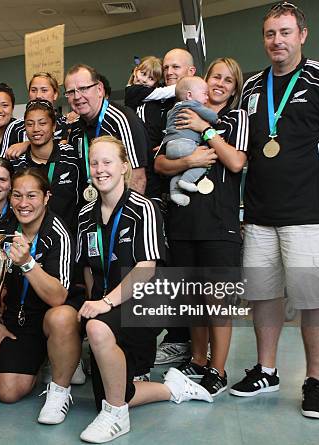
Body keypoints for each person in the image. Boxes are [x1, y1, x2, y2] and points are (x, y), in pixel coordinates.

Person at [231, 2, 319, 419]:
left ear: (302, 35)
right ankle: (267, 370)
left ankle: (315, 381)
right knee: (264, 296)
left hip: (310, 215)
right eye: (271, 33)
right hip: (258, 214)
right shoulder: (252, 86)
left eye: (286, 32)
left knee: (313, 300)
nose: (278, 40)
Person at [76, 136, 212, 443]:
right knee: (113, 391)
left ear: (124, 166)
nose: (100, 169)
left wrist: (104, 304)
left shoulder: (144, 208)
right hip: (110, 305)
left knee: (97, 328)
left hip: (145, 301)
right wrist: (91, 302)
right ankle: (174, 388)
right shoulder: (86, 215)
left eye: (107, 162)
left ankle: (116, 418)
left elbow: (146, 269)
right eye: (94, 162)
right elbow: (88, 268)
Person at [155, 57, 248, 396]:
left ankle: (218, 370)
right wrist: (189, 160)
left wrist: (205, 129)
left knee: (217, 301)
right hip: (183, 220)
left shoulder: (235, 119)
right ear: (205, 81)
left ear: (235, 87)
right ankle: (196, 361)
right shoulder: (183, 110)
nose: (220, 84)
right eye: (216, 77)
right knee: (193, 298)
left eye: (228, 80)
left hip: (218, 223)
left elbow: (236, 161)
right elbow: (160, 163)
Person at [0, 169, 81, 427]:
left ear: (47, 197)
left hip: (49, 316)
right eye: (17, 195)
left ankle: (59, 389)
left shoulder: (58, 233)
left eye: (31, 195)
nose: (23, 203)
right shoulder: (1, 229)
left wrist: (27, 263)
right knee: (7, 392)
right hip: (16, 320)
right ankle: (45, 359)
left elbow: (58, 297)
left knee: (61, 317)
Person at [153, 48, 199, 369]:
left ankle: (189, 344)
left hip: (196, 204)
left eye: (176, 67)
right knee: (169, 275)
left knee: (193, 278)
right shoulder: (159, 105)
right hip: (164, 200)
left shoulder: (200, 105)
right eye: (166, 66)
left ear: (192, 71)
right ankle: (175, 338)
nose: (169, 71)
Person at [64, 64, 149, 196]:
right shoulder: (75, 128)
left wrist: (122, 215)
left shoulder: (123, 119)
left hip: (124, 209)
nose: (77, 96)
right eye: (70, 92)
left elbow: (137, 179)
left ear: (99, 89)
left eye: (83, 89)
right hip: (94, 207)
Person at [10, 99, 84, 232]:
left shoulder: (72, 158)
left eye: (42, 123)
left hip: (67, 239)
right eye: (30, 124)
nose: (36, 129)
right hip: (28, 242)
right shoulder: (17, 164)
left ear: (54, 126)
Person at [161, 76, 218, 206]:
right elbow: (210, 115)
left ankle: (175, 191)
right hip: (185, 144)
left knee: (180, 171)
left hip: (170, 147)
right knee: (204, 160)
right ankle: (188, 180)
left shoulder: (172, 110)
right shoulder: (192, 104)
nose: (207, 98)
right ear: (189, 95)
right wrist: (215, 118)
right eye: (204, 94)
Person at [2, 72, 71, 159]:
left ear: (55, 94)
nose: (38, 96)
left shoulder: (67, 123)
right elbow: (3, 161)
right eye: (33, 90)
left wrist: (27, 145)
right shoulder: (15, 126)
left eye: (44, 90)